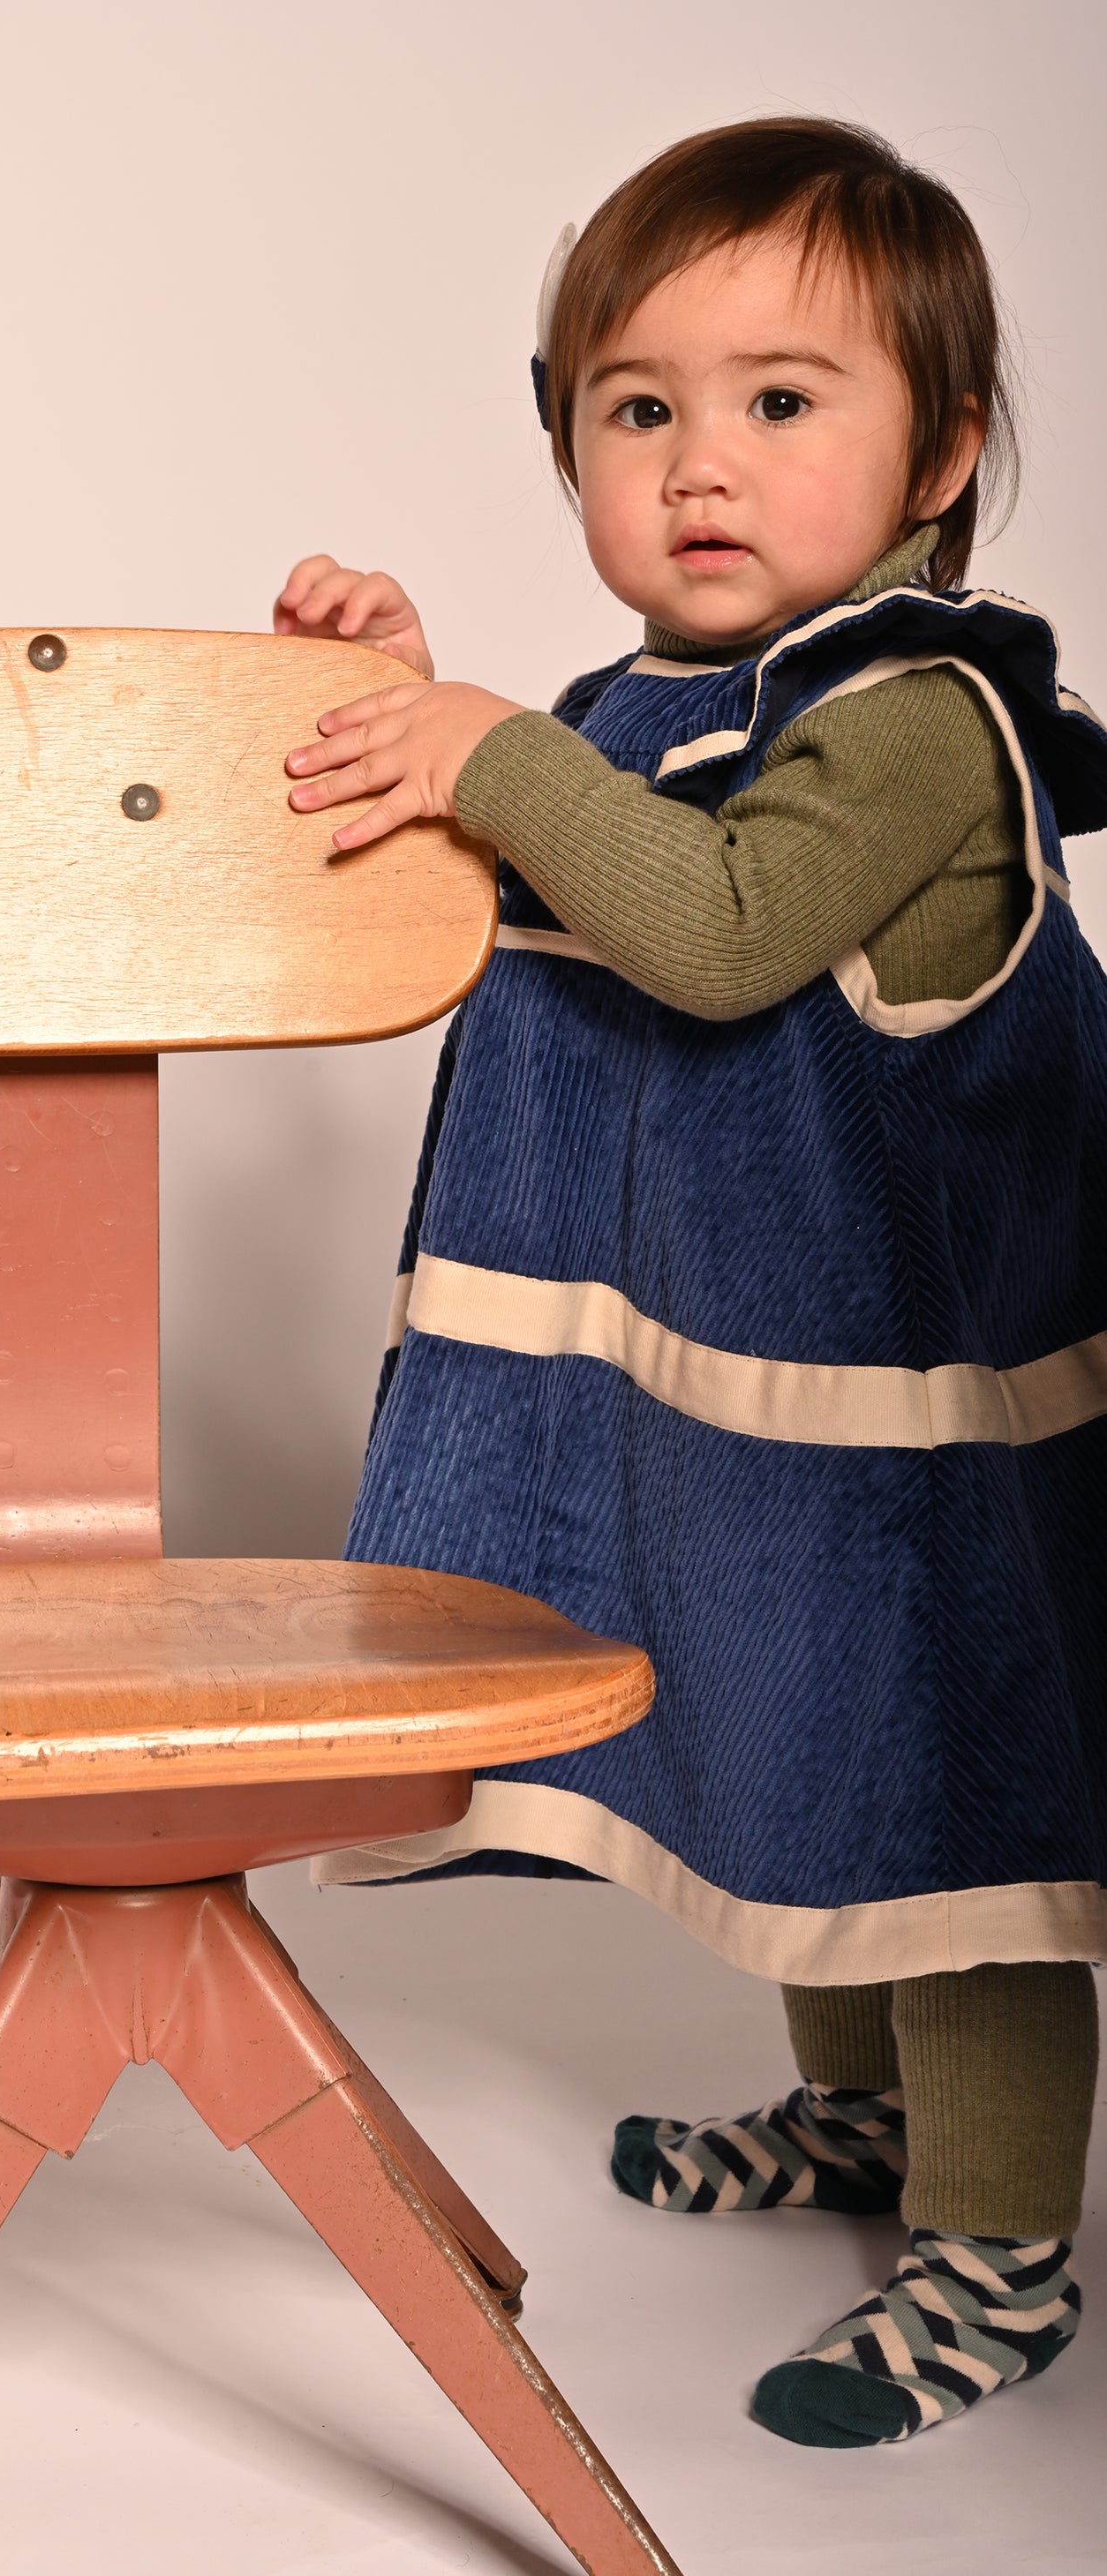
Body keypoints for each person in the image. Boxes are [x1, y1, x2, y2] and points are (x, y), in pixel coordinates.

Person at [275, 116, 1107, 2452]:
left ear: (936, 454)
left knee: (949, 1833)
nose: (697, 461)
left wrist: (499, 760)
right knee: (788, 1777)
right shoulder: (635, 711)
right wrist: (427, 718)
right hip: (734, 1408)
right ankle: (854, 2129)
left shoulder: (919, 727)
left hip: (911, 1429)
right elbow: (570, 861)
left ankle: (1000, 2249)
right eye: (633, 408)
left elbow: (718, 931)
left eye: (778, 398)